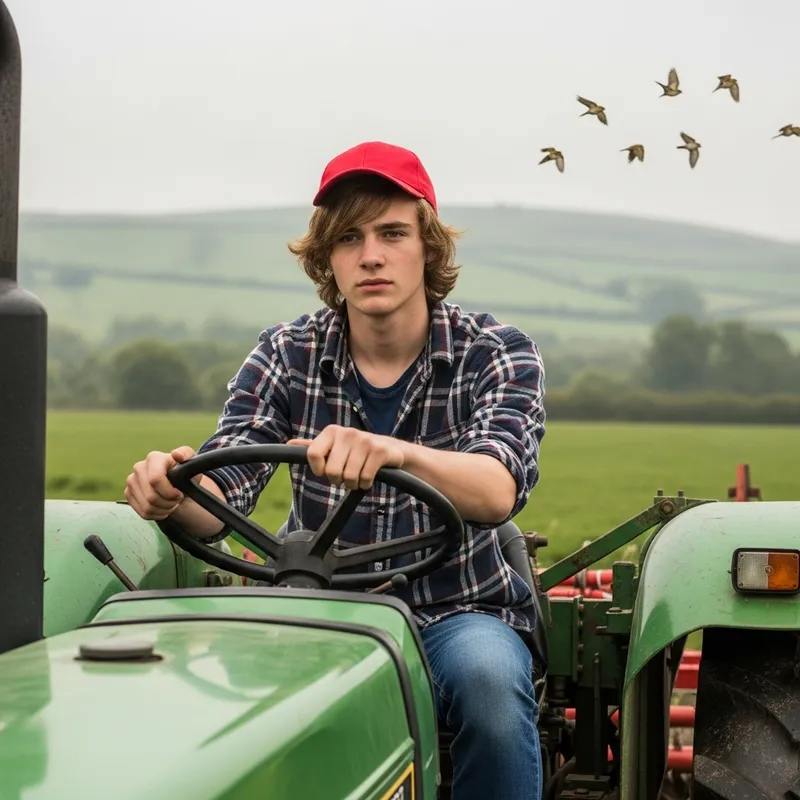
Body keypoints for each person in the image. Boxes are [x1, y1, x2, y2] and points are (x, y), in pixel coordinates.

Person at [124, 140, 547, 799]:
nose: (371, 255)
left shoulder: (494, 351)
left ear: (428, 247)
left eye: (392, 233)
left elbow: (496, 489)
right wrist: (170, 489)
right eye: (349, 237)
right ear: (327, 257)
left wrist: (397, 453)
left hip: (458, 609)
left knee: (490, 687)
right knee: (215, 702)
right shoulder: (287, 352)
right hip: (320, 606)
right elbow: (220, 493)